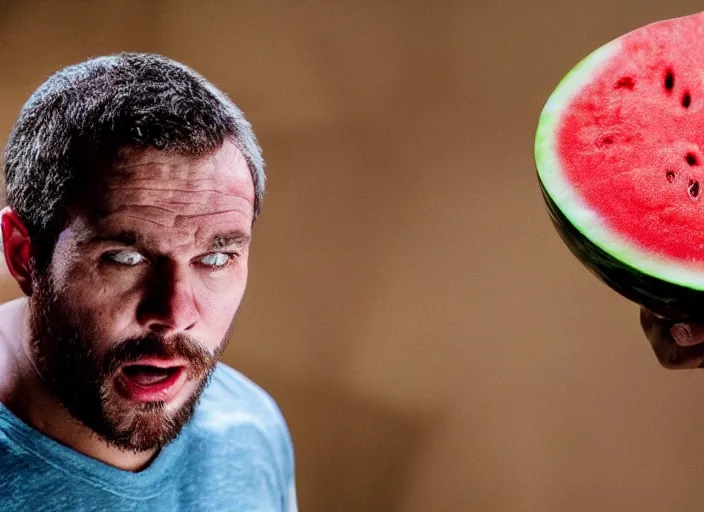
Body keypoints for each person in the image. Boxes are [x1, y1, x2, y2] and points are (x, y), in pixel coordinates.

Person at [0, 53, 297, 511]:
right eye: (125, 257)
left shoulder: (250, 431)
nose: (175, 314)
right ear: (23, 254)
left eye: (215, 258)